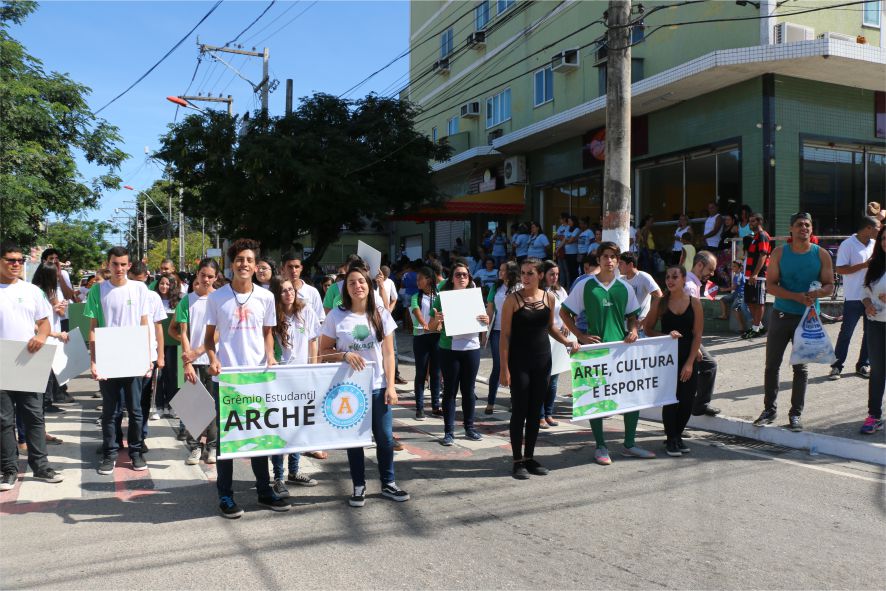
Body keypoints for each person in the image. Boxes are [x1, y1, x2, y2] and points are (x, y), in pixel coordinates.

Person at [205, 238, 288, 518]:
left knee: (259, 437)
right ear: (232, 265)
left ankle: (264, 491)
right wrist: (214, 360)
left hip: (256, 378)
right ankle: (225, 496)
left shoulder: (266, 297)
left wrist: (270, 356)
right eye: (239, 260)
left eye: (249, 260)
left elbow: (267, 333)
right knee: (228, 441)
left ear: (255, 266)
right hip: (228, 380)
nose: (244, 264)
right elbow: (208, 340)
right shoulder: (217, 297)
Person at [319, 267, 410, 507]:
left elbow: (389, 353)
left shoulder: (381, 313)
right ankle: (359, 486)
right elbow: (323, 352)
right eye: (351, 283)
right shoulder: (336, 316)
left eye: (361, 282)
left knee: (385, 438)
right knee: (354, 440)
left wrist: (391, 386)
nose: (357, 286)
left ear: (369, 286)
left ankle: (388, 483)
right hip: (350, 388)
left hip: (378, 385)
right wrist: (345, 354)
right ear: (345, 289)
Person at [559, 241, 655, 464]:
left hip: (622, 350)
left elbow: (633, 316)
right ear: (599, 260)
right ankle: (600, 445)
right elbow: (564, 313)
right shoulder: (585, 285)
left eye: (614, 257)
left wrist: (632, 330)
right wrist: (580, 337)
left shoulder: (625, 287)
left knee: (632, 397)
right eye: (606, 257)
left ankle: (629, 444)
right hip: (596, 350)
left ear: (618, 261)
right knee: (597, 399)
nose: (610, 261)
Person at [754, 213, 834, 432]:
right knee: (772, 365)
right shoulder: (780, 253)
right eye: (799, 225)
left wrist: (817, 293)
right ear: (791, 229)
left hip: (807, 319)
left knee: (801, 368)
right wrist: (795, 296)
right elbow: (770, 286)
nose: (804, 228)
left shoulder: (822, 254)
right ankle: (769, 410)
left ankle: (795, 414)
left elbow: (830, 285)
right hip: (781, 315)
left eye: (808, 225)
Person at [500, 258, 578, 479]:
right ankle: (517, 461)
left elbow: (550, 326)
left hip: (543, 361)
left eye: (529, 273)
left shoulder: (549, 298)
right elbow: (504, 336)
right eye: (523, 273)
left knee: (536, 412)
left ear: (540, 275)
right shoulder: (512, 300)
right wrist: (504, 368)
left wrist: (567, 341)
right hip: (519, 362)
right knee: (520, 411)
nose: (525, 277)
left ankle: (529, 457)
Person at [0, 243, 64, 491]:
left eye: (19, 260)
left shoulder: (32, 292)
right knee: (4, 420)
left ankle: (41, 466)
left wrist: (41, 337)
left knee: (34, 417)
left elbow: (45, 323)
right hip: (2, 362)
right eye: (10, 260)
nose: (16, 264)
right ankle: (8, 470)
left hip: (28, 361)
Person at [84, 246, 151, 475]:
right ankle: (110, 453)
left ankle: (135, 452)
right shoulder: (98, 290)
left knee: (135, 410)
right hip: (108, 358)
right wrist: (94, 361)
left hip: (133, 358)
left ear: (129, 266)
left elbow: (145, 325)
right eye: (115, 264)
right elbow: (92, 330)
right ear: (108, 264)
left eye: (123, 264)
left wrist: (146, 357)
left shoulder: (140, 289)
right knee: (111, 411)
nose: (119, 268)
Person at [643, 265, 704, 457]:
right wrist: (666, 335)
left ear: (684, 279)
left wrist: (690, 362)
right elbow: (648, 329)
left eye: (675, 277)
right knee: (670, 400)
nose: (670, 280)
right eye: (668, 277)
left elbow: (697, 334)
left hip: (688, 355)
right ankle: (671, 439)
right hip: (667, 357)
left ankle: (677, 435)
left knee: (687, 400)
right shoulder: (660, 302)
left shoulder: (694, 303)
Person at [269, 277, 321, 497]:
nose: (288, 294)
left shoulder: (306, 311)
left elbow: (313, 342)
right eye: (283, 291)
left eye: (291, 289)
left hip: (302, 377)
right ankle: (278, 476)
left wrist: (314, 369)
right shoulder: (271, 315)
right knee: (281, 428)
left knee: (299, 425)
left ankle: (294, 470)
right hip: (280, 378)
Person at [428, 259, 489, 446]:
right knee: (450, 392)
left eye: (465, 274)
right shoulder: (443, 296)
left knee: (469, 390)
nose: (462, 277)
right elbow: (431, 327)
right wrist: (437, 320)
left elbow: (483, 322)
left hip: (471, 348)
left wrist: (486, 319)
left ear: (469, 277)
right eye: (458, 274)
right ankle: (449, 432)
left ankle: (469, 427)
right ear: (452, 278)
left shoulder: (474, 296)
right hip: (449, 349)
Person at [169, 258, 220, 465]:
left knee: (214, 406)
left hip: (213, 360)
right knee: (194, 406)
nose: (206, 279)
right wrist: (188, 361)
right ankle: (195, 446)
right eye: (203, 275)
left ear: (216, 278)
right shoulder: (186, 301)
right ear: (197, 274)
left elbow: (219, 331)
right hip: (192, 362)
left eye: (210, 276)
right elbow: (182, 332)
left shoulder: (220, 299)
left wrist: (199, 351)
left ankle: (213, 447)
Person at [830, 216, 880, 380]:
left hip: (872, 297)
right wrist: (864, 265)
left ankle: (863, 364)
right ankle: (837, 366)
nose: (880, 231)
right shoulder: (847, 244)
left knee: (869, 333)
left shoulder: (875, 245)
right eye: (877, 228)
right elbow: (840, 269)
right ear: (868, 228)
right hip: (853, 297)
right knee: (846, 332)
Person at [127, 262, 166, 452]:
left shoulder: (153, 297)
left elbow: (158, 327)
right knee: (123, 402)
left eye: (140, 282)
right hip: (126, 354)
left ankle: (140, 437)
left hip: (148, 355)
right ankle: (116, 439)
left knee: (143, 399)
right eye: (133, 281)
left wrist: (160, 355)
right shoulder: (123, 295)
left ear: (147, 279)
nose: (137, 287)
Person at [684, 251, 721, 417]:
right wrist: (695, 346)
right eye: (710, 270)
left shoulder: (693, 283)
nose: (712, 274)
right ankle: (698, 406)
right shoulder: (690, 286)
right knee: (709, 366)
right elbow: (687, 318)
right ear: (699, 265)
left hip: (688, 337)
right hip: (687, 338)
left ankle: (696, 404)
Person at [860, 225, 886, 434]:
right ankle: (874, 416)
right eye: (884, 238)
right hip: (876, 325)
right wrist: (868, 303)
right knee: (877, 371)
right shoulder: (875, 265)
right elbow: (864, 291)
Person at [485, 261, 519, 415]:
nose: (500, 272)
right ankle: (490, 401)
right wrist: (484, 331)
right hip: (497, 331)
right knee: (498, 366)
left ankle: (514, 401)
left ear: (511, 272)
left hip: (515, 332)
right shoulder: (495, 287)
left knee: (514, 366)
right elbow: (490, 308)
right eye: (500, 269)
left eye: (503, 270)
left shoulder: (519, 287)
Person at [539, 260, 569, 428]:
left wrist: (566, 323)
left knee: (554, 380)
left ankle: (549, 413)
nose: (555, 277)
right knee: (543, 378)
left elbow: (568, 311)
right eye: (552, 274)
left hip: (558, 339)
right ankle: (540, 414)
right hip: (543, 338)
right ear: (543, 274)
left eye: (557, 274)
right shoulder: (538, 292)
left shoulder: (560, 291)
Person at [411, 267, 442, 419]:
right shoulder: (416, 296)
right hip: (421, 337)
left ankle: (436, 406)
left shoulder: (439, 296)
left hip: (437, 337)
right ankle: (420, 407)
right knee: (421, 373)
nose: (417, 282)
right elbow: (416, 311)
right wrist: (425, 324)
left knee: (436, 373)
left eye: (419, 279)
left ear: (428, 280)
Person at [153, 273, 180, 419]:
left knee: (172, 375)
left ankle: (172, 406)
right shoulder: (153, 299)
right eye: (162, 283)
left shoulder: (177, 302)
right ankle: (158, 407)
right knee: (159, 375)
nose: (164, 286)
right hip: (157, 343)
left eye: (167, 284)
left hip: (173, 343)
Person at [741, 213, 772, 339]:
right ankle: (760, 327)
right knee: (750, 301)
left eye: (753, 221)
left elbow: (763, 255)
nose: (750, 223)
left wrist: (754, 274)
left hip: (758, 275)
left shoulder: (763, 235)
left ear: (759, 222)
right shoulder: (755, 237)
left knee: (759, 302)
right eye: (750, 221)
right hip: (750, 275)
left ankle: (755, 329)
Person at [617, 252, 663, 329]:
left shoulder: (644, 277)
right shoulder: (621, 280)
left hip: (640, 327)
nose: (618, 267)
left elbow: (659, 296)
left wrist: (648, 318)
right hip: (623, 326)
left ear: (630, 265)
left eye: (621, 263)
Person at [280, 254, 325, 324]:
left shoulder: (312, 292)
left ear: (301, 268)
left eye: (296, 267)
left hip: (307, 333)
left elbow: (320, 319)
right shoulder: (276, 291)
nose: (293, 270)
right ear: (282, 269)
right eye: (290, 267)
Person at [717, 261, 753, 333]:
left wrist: (724, 289)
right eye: (732, 266)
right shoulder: (737, 275)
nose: (732, 268)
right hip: (736, 294)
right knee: (722, 299)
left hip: (740, 295)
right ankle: (724, 315)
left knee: (735, 308)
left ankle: (742, 327)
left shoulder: (739, 276)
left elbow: (733, 287)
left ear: (740, 268)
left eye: (734, 266)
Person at [561, 215, 581, 288]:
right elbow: (565, 239)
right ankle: (570, 286)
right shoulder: (567, 228)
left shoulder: (577, 229)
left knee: (574, 271)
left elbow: (570, 240)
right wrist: (558, 248)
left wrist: (568, 240)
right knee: (568, 271)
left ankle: (575, 286)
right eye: (568, 221)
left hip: (574, 253)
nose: (568, 222)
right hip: (567, 253)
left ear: (574, 221)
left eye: (570, 221)